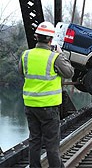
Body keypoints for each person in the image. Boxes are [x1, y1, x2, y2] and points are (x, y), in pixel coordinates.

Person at [18, 21, 74, 168]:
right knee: (51, 144)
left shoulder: (26, 55)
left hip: (30, 105)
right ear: (51, 40)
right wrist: (61, 55)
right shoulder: (54, 57)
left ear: (36, 37)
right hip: (48, 107)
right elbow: (69, 73)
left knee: (34, 140)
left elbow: (21, 72)